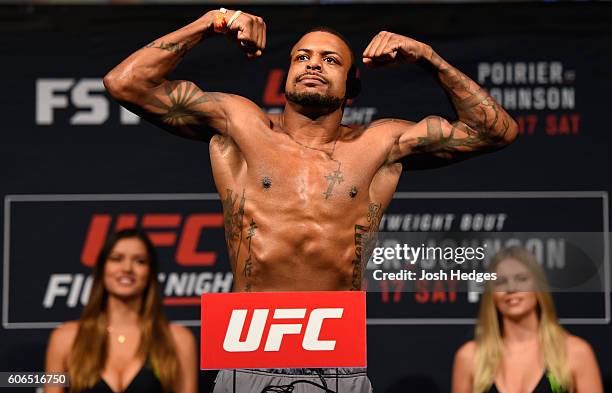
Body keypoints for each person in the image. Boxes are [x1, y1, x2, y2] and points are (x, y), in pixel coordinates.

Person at [103, 8, 518, 392]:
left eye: (331, 60)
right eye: (302, 57)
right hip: (249, 355)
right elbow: (124, 83)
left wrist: (429, 57)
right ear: (286, 73)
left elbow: (496, 131)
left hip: (337, 360)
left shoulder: (379, 144)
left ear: (351, 83)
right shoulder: (242, 126)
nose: (314, 64)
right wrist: (211, 21)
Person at [44, 229, 197, 393]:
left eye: (140, 261)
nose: (127, 268)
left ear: (150, 273)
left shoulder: (179, 340)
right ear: (103, 269)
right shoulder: (64, 339)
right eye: (116, 259)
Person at [452, 246, 604, 393]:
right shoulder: (470, 357)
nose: (511, 288)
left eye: (521, 279)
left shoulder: (575, 352)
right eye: (501, 282)